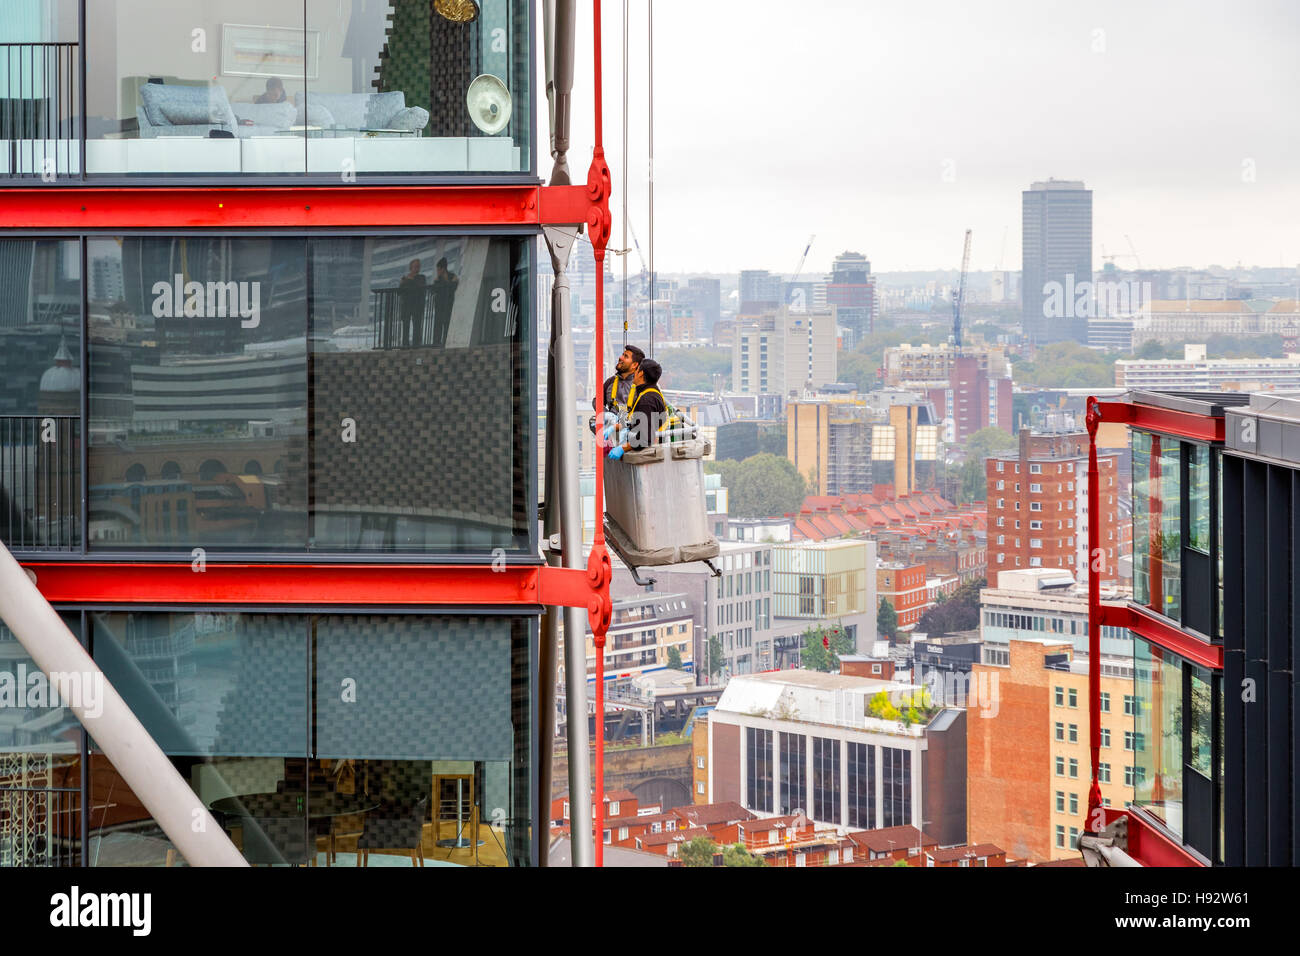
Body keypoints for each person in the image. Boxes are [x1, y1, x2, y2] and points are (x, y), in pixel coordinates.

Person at [609, 358, 667, 459]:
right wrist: (615, 427)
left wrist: (622, 448)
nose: (634, 373)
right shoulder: (651, 392)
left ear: (640, 373)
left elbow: (644, 439)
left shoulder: (647, 400)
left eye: (636, 370)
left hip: (650, 457)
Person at [398, 259, 427, 347]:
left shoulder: (421, 277)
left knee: (417, 326)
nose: (417, 268)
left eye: (418, 266)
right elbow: (400, 292)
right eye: (415, 266)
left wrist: (409, 280)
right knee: (406, 325)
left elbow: (420, 287)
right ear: (411, 267)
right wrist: (403, 282)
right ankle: (405, 344)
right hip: (406, 305)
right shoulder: (405, 279)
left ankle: (416, 345)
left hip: (417, 305)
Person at [431, 256, 458, 347]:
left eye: (439, 269)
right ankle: (436, 343)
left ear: (443, 269)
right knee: (438, 324)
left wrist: (447, 281)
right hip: (439, 305)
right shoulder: (438, 279)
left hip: (448, 304)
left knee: (446, 324)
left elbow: (453, 287)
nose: (437, 271)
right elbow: (434, 290)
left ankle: (445, 343)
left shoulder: (452, 276)